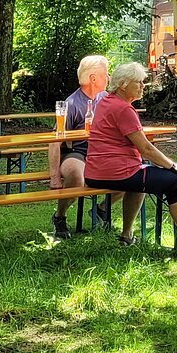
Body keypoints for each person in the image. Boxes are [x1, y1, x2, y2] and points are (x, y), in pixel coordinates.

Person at [84, 62, 177, 253]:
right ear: (123, 84)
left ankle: (126, 236)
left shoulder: (106, 102)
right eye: (138, 82)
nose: (143, 86)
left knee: (141, 177)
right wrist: (173, 166)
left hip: (96, 171)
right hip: (117, 172)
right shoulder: (123, 109)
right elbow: (146, 148)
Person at [51, 54, 112, 239]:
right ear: (93, 78)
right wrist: (54, 176)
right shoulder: (71, 104)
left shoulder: (107, 99)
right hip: (76, 152)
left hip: (101, 152)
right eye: (105, 74)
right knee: (77, 176)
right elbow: (55, 141)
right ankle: (60, 217)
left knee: (131, 171)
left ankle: (101, 209)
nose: (108, 78)